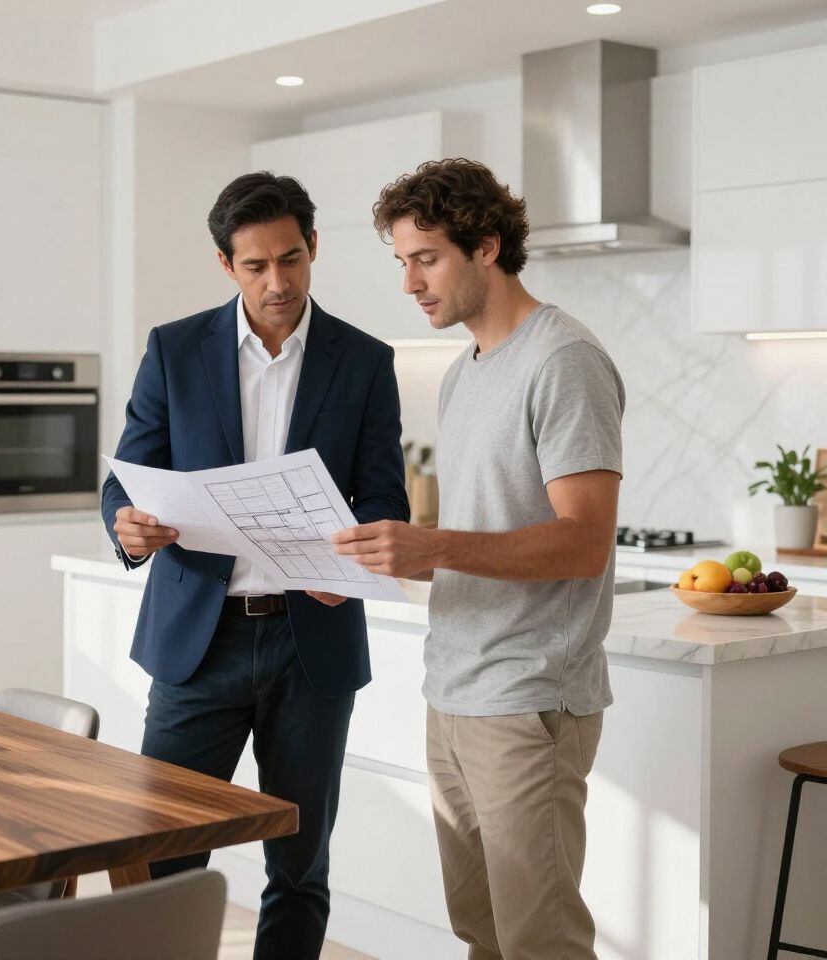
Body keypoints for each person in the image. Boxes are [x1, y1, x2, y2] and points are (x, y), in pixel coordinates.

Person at [101, 171, 409, 960]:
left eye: (293, 260)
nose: (278, 282)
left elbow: (384, 501)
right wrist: (127, 525)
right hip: (197, 644)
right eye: (256, 266)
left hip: (314, 644)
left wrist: (354, 568)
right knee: (162, 856)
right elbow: (126, 477)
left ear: (313, 251)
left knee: (300, 866)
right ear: (225, 265)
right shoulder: (174, 350)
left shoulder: (366, 360)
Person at [334, 158, 625, 960]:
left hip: (528, 696)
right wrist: (376, 563)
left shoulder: (562, 359)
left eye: (425, 258)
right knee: (484, 933)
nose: (410, 283)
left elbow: (584, 540)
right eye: (402, 262)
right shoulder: (463, 374)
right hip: (454, 690)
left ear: (487, 247)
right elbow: (478, 541)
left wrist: (432, 544)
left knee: (542, 940)